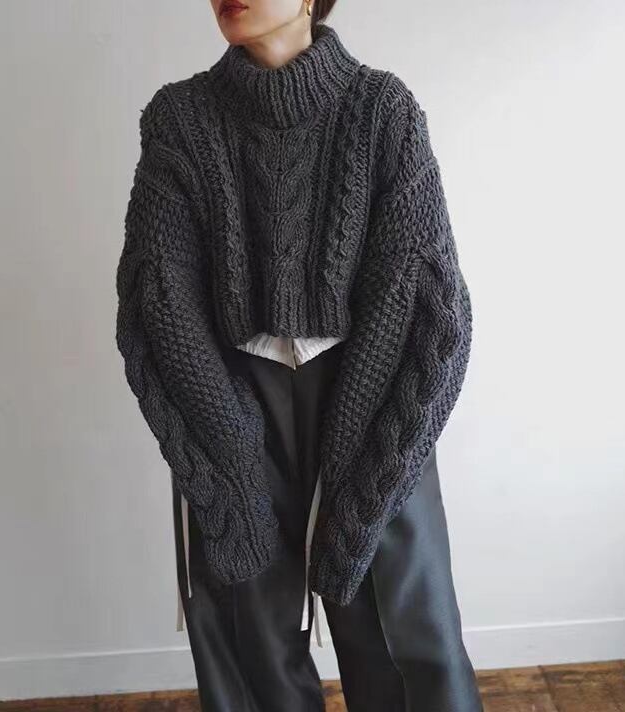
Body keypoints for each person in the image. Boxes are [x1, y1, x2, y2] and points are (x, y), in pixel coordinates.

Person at [115, 1, 484, 710]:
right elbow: (157, 297)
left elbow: (425, 304)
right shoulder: (179, 118)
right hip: (221, 398)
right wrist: (229, 441)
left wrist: (360, 451)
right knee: (249, 651)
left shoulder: (382, 111)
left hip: (371, 395)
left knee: (412, 646)